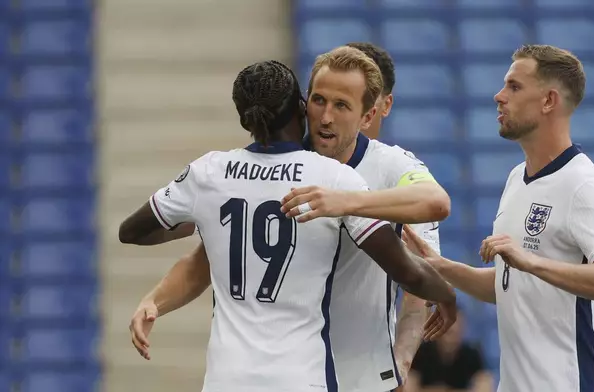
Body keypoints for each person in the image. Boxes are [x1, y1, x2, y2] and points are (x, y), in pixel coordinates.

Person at [126, 45, 454, 392]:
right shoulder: (279, 166)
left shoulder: (391, 165)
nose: (326, 117)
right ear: (303, 102)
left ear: (367, 115)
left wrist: (403, 358)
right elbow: (209, 258)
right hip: (306, 370)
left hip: (364, 375)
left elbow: (436, 203)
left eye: (341, 105)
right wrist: (156, 300)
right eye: (319, 100)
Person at [400, 45, 594, 392]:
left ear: (548, 101)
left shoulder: (584, 185)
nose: (499, 96)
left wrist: (532, 262)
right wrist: (439, 266)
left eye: (514, 86)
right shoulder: (516, 179)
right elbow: (513, 286)